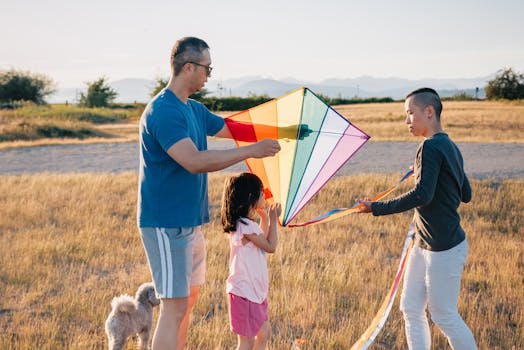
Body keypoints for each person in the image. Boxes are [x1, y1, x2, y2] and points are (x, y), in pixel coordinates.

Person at [137, 37, 281, 350]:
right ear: (188, 67)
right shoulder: (162, 111)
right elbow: (194, 161)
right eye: (207, 69)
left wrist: (288, 129)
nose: (208, 76)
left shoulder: (195, 110)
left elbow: (234, 128)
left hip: (190, 223)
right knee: (173, 307)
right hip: (165, 224)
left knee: (186, 303)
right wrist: (252, 151)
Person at [356, 88, 477, 350]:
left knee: (444, 315)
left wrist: (376, 208)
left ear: (429, 112)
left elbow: (423, 195)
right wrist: (426, 172)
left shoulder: (430, 147)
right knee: (410, 306)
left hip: (443, 248)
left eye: (410, 113)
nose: (407, 121)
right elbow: (465, 192)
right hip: (423, 245)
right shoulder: (449, 145)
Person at [221, 173, 281, 350]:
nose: (265, 196)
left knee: (264, 333)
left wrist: (264, 219)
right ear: (250, 199)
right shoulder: (244, 226)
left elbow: (260, 240)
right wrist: (272, 220)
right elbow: (270, 246)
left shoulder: (246, 225)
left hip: (252, 292)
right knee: (249, 341)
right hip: (244, 292)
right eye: (261, 193)